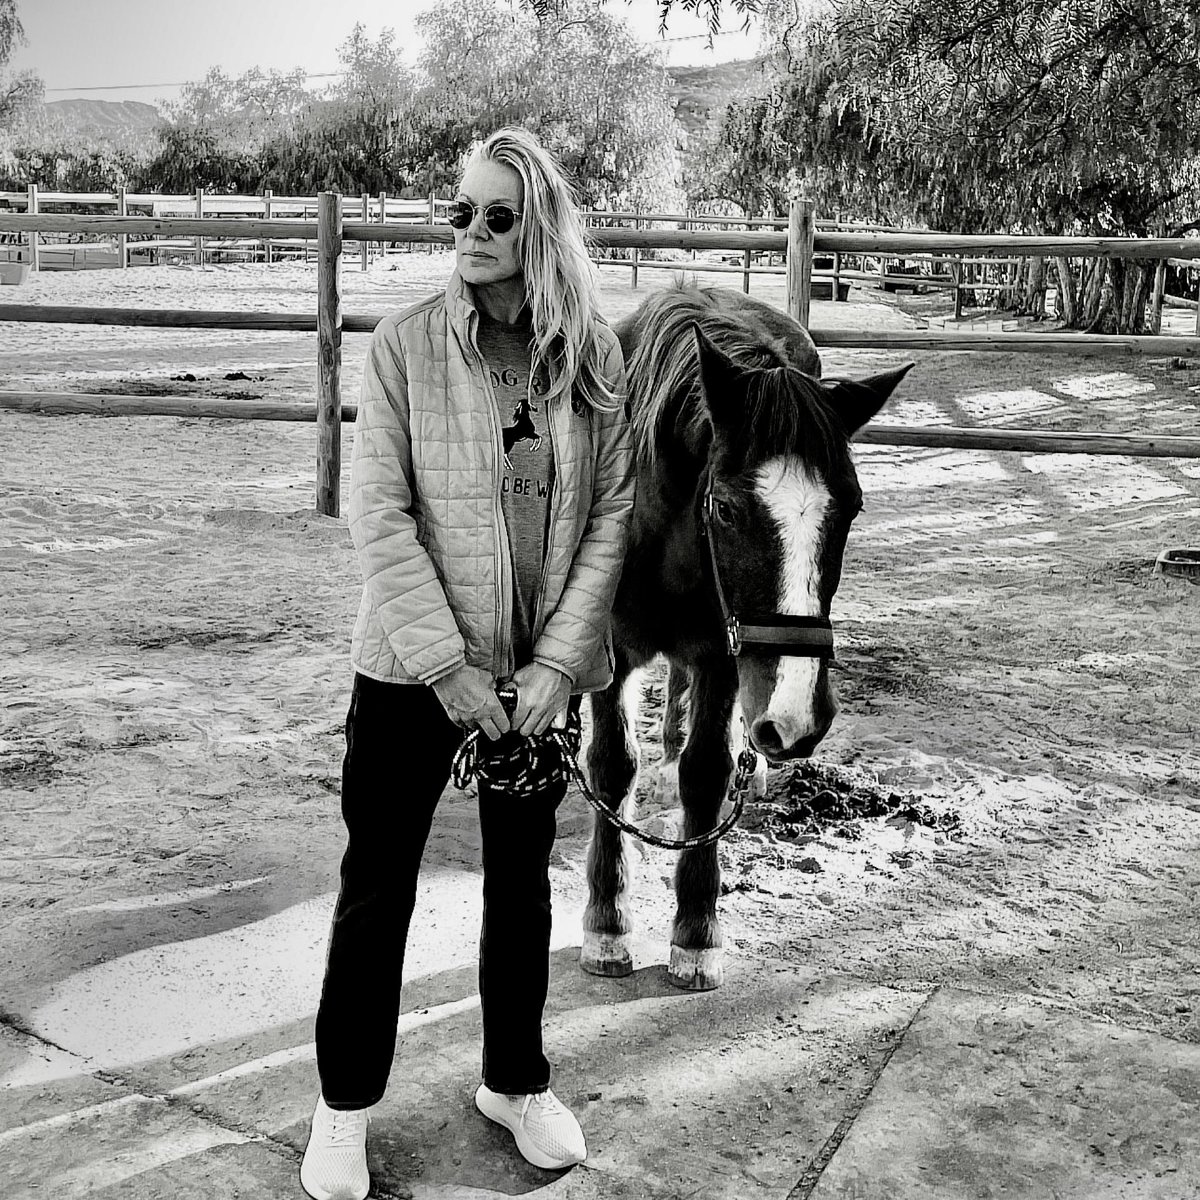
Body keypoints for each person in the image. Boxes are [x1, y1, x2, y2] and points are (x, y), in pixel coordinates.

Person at [299, 127, 635, 1200]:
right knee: (377, 886)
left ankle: (515, 1082)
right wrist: (446, 666)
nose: (472, 232)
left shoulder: (592, 355)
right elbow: (380, 513)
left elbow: (611, 515)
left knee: (521, 889)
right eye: (461, 212)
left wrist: (560, 666)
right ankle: (344, 1105)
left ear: (540, 231)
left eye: (498, 216)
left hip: (534, 677)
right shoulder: (404, 346)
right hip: (410, 671)